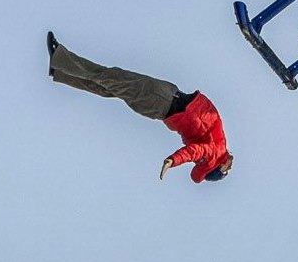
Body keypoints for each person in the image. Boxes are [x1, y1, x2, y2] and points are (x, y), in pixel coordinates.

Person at [47, 33, 232, 182]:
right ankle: (60, 71)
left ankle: (60, 58)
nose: (229, 169)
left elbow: (195, 152)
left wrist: (173, 160)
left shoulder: (212, 154)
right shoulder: (219, 147)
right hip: (165, 98)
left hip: (161, 100)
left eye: (225, 172)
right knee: (110, 86)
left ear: (216, 168)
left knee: (112, 77)